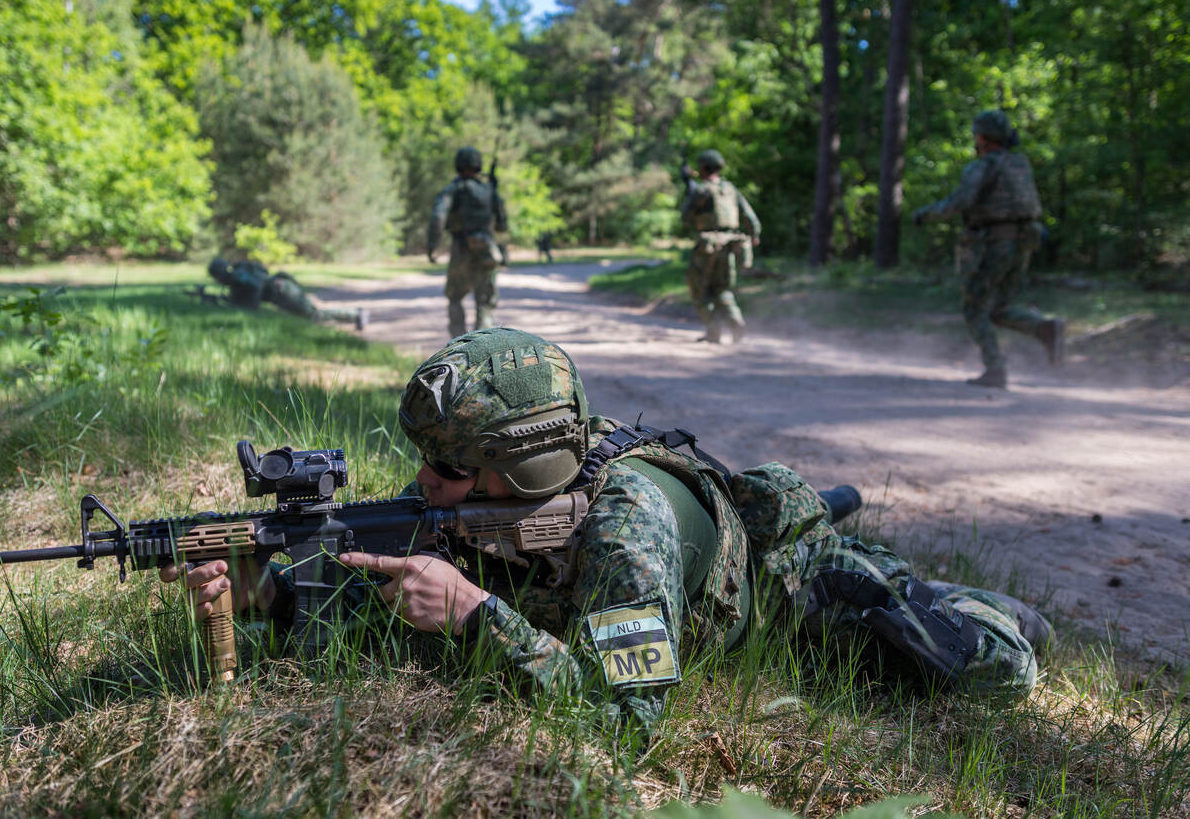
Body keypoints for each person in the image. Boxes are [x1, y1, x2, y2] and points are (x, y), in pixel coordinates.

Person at [163, 328, 1051, 739]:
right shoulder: (461, 495)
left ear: (528, 463)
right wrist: (264, 592)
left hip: (787, 590)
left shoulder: (628, 523)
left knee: (964, 661)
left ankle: (989, 607)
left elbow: (628, 715)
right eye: (426, 461)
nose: (424, 484)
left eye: (450, 467)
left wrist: (479, 615)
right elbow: (369, 599)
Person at [912, 110, 1065, 389]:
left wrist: (925, 214)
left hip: (995, 245)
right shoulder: (1020, 164)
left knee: (974, 309)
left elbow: (960, 202)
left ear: (981, 137)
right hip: (1024, 243)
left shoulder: (982, 167)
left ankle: (995, 369)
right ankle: (1043, 328)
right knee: (998, 308)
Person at [680, 150, 761, 344]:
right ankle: (736, 323)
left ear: (703, 168)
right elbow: (750, 217)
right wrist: (754, 235)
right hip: (730, 244)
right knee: (723, 289)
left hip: (706, 247)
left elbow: (685, 218)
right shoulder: (731, 189)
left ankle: (713, 330)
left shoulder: (701, 190)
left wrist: (689, 190)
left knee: (699, 289)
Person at [428, 147, 509, 339]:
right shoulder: (489, 190)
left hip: (461, 249)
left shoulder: (453, 190)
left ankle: (458, 345)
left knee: (455, 298)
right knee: (485, 303)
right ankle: (483, 345)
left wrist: (433, 244)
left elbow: (438, 217)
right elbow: (502, 226)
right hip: (487, 251)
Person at [206, 257, 368, 330]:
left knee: (313, 314)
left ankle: (356, 315)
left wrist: (251, 307)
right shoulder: (238, 275)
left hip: (282, 291)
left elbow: (256, 288)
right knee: (311, 315)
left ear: (218, 274)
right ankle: (354, 316)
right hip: (281, 290)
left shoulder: (238, 276)